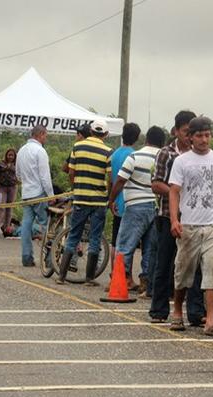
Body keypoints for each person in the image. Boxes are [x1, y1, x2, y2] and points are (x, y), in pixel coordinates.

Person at [168, 116, 213, 337]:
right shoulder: (182, 161)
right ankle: (177, 312)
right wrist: (174, 220)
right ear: (190, 138)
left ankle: (211, 321)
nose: (204, 140)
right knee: (183, 272)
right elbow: (174, 191)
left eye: (207, 135)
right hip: (189, 225)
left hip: (212, 225)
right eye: (199, 136)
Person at [149, 110, 205, 326]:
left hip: (194, 219)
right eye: (185, 132)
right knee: (164, 264)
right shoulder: (166, 153)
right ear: (176, 131)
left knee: (195, 267)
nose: (189, 136)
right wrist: (177, 191)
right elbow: (156, 184)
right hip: (167, 216)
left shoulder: (199, 154)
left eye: (192, 132)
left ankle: (195, 311)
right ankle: (159, 310)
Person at [108, 126, 165, 298]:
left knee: (125, 244)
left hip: (136, 206)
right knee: (149, 247)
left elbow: (120, 180)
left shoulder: (135, 156)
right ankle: (145, 282)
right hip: (156, 207)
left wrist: (111, 200)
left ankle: (120, 279)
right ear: (162, 142)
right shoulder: (163, 158)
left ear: (146, 139)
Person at [57, 120, 112, 286]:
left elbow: (71, 172)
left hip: (80, 198)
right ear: (106, 134)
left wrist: (76, 188)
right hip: (99, 201)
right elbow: (110, 178)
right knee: (95, 238)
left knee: (74, 235)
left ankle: (61, 276)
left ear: (91, 131)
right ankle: (89, 278)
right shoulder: (108, 151)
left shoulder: (77, 147)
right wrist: (107, 195)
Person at [108, 122, 141, 290]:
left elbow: (111, 179)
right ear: (136, 138)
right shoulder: (133, 156)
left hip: (115, 202)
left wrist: (110, 199)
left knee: (115, 241)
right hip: (129, 203)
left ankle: (114, 274)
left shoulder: (114, 154)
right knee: (129, 244)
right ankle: (125, 277)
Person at [16, 125, 54, 267]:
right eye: (45, 135)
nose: (46, 138)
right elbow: (45, 177)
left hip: (26, 194)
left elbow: (17, 174)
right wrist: (51, 195)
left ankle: (26, 257)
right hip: (39, 194)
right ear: (41, 134)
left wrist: (27, 183)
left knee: (26, 225)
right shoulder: (40, 151)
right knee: (45, 225)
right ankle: (49, 258)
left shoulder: (21, 151)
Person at [0, 148, 18, 234]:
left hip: (12, 187)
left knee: (9, 208)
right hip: (2, 187)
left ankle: (6, 227)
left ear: (14, 157)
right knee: (1, 206)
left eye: (12, 155)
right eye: (9, 155)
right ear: (6, 155)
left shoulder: (17, 164)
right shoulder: (1, 163)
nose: (10, 157)